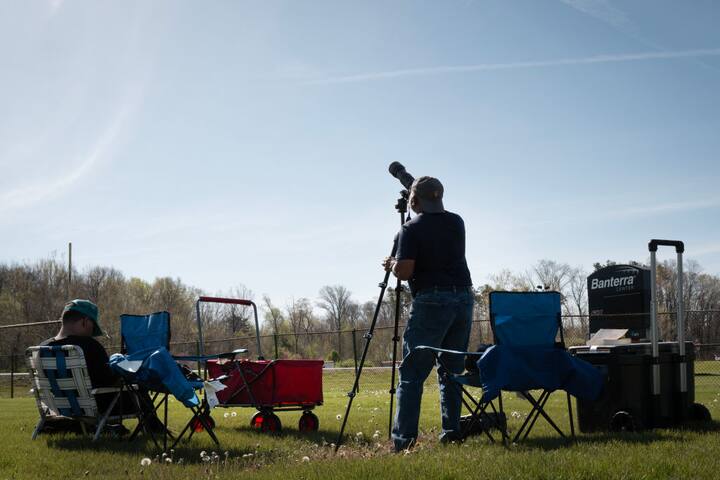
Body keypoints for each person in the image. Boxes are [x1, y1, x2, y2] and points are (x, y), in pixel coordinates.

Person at [383, 176, 474, 452]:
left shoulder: (410, 229)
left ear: (413, 200)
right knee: (451, 370)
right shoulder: (457, 221)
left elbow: (406, 271)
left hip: (432, 299)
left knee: (412, 372)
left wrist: (392, 264)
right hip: (463, 297)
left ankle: (403, 441)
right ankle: (451, 431)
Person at [40, 299, 164, 433]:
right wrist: (125, 372)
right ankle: (155, 429)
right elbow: (108, 380)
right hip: (96, 407)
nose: (91, 331)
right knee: (138, 387)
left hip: (60, 407)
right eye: (92, 326)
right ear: (85, 321)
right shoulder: (89, 345)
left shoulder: (42, 348)